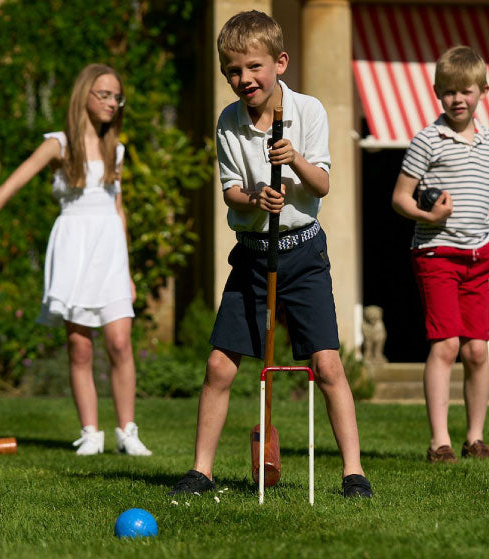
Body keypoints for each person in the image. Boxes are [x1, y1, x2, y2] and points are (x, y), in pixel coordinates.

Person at [169, 10, 372, 498]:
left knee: (326, 364)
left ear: (279, 62)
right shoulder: (228, 123)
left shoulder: (310, 111)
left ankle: (353, 472)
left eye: (254, 67)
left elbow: (322, 182)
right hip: (253, 254)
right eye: (234, 71)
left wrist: (294, 160)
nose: (244, 79)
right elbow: (230, 193)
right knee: (220, 364)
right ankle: (201, 470)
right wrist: (257, 197)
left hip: (302, 253)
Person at [0, 64, 151, 456]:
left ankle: (127, 431)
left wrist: (126, 268)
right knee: (79, 346)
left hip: (110, 249)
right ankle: (90, 432)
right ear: (84, 97)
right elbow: (12, 183)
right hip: (74, 247)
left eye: (117, 96)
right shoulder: (58, 145)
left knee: (120, 341)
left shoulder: (118, 150)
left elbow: (119, 209)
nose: (112, 102)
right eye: (105, 95)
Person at [391, 45, 489, 463]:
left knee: (477, 351)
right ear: (438, 92)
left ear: (482, 91)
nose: (458, 99)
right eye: (449, 92)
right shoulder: (426, 140)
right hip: (436, 253)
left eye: (466, 91)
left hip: (479, 255)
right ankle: (440, 442)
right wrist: (427, 214)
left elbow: (488, 194)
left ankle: (475, 437)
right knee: (446, 346)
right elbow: (400, 198)